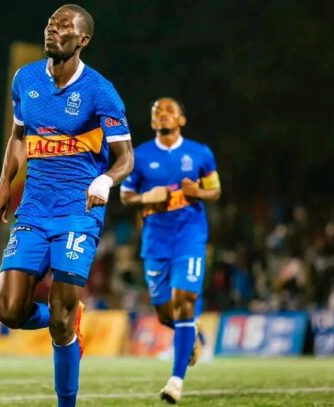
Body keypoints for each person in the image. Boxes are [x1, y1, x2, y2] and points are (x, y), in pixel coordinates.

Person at [0, 4, 134, 406]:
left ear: (83, 39)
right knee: (10, 312)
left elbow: (126, 158)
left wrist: (104, 180)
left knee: (61, 320)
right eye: (51, 24)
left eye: (64, 26)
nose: (52, 30)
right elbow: (19, 137)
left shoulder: (100, 92)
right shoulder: (26, 79)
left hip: (78, 213)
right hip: (34, 210)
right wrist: (4, 185)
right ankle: (67, 316)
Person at [120, 97, 221, 404]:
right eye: (158, 112)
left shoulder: (200, 153)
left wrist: (197, 192)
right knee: (166, 315)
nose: (163, 115)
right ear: (153, 122)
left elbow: (215, 190)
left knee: (185, 300)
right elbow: (125, 196)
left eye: (170, 111)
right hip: (155, 243)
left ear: (181, 120)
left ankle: (176, 381)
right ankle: (193, 332)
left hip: (190, 238)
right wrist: (146, 198)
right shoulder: (139, 156)